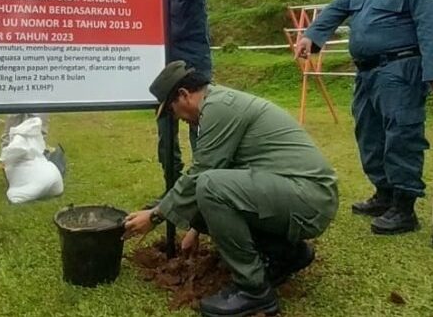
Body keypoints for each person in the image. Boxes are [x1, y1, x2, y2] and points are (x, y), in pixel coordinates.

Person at [124, 61, 338, 317]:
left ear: (183, 95)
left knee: (209, 185)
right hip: (301, 194)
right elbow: (228, 173)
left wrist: (155, 215)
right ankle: (287, 254)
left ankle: (254, 291)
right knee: (211, 185)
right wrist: (196, 225)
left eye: (172, 111)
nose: (178, 118)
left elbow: (202, 175)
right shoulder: (220, 103)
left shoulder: (218, 109)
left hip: (308, 198)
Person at [295, 0, 433, 236]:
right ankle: (384, 194)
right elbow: (336, 10)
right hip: (367, 73)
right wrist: (311, 36)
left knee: (401, 135)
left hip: (400, 70)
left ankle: (404, 207)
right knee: (370, 135)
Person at [149, 0, 211, 206]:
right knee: (166, 136)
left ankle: (202, 192)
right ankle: (172, 191)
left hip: (194, 63)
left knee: (200, 130)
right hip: (165, 65)